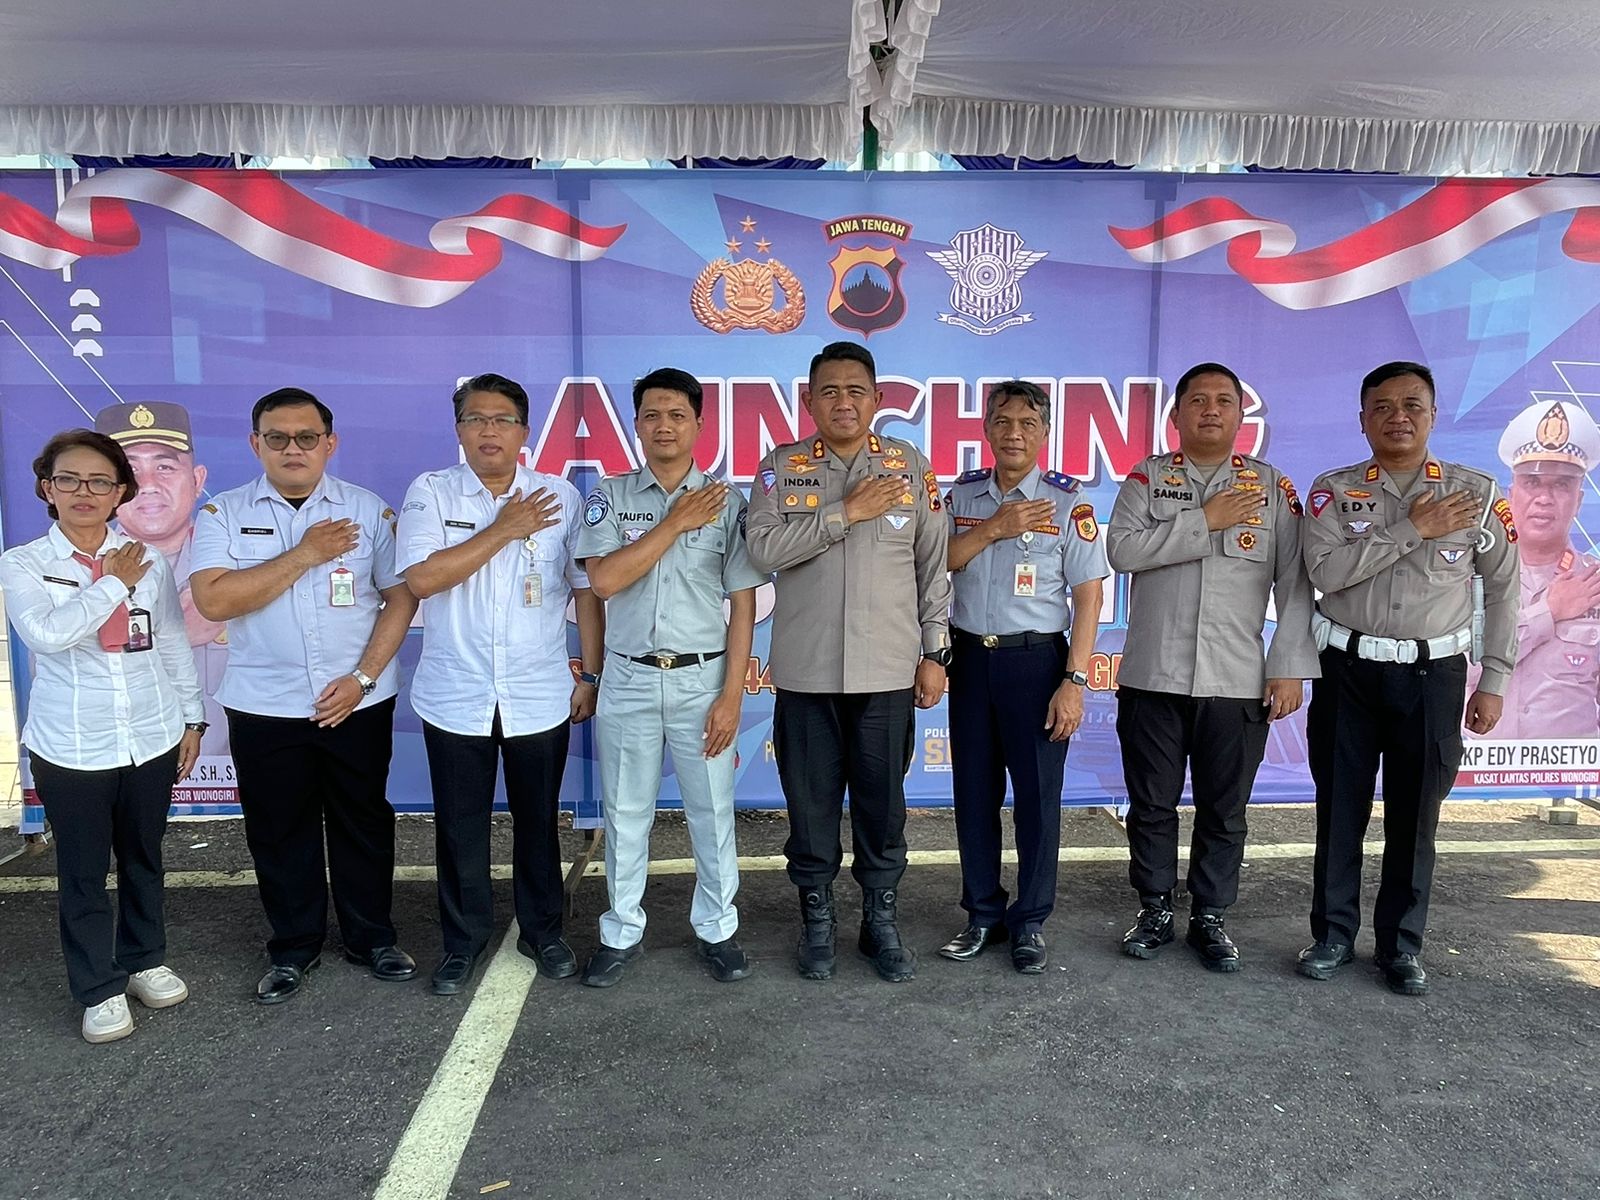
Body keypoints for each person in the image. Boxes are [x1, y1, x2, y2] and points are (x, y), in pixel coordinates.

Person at [189, 387, 419, 1004]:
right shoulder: (223, 513)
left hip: (356, 700)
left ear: (330, 443)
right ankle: (293, 948)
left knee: (362, 821)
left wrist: (363, 678)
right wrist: (306, 554)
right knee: (278, 828)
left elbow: (400, 599)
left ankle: (372, 938)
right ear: (255, 443)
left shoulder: (367, 510)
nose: (293, 448)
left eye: (307, 437)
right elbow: (214, 599)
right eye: (278, 437)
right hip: (265, 703)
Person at [1298, 361, 1519, 995]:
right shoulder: (1335, 491)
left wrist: (1495, 677)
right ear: (1363, 419)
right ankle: (1332, 936)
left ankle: (1401, 946)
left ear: (1433, 413)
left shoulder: (1475, 494)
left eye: (1412, 405)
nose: (1398, 417)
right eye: (1384, 407)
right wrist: (1412, 529)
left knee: (1415, 817)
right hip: (1347, 670)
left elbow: (1504, 590)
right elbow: (1325, 571)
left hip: (1432, 675)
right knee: (1339, 808)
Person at [745, 341, 951, 983]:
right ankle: (817, 921)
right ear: (808, 400)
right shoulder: (780, 468)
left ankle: (879, 922)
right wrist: (845, 513)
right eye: (829, 391)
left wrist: (935, 651)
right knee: (809, 807)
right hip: (806, 674)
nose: (843, 402)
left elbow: (932, 566)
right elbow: (761, 550)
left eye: (855, 390)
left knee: (882, 806)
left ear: (877, 400)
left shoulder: (909, 466)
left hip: (887, 671)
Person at [397, 372, 605, 995]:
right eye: (476, 419)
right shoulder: (431, 492)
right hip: (454, 694)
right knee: (460, 825)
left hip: (537, 693)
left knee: (538, 821)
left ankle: (543, 931)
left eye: (502, 420)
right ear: (459, 430)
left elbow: (585, 591)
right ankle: (462, 942)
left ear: (524, 431)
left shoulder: (559, 496)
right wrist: (503, 529)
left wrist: (590, 673)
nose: (489, 431)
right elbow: (422, 579)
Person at [1107, 362, 1318, 971]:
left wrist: (1288, 665)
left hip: (1236, 677)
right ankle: (1153, 909)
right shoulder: (1147, 478)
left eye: (1224, 401)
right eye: (1197, 400)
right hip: (1153, 674)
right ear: (1175, 415)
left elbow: (1295, 584)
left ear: (1240, 415)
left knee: (1224, 810)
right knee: (1151, 804)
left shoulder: (1271, 487)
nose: (1210, 410)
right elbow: (1121, 550)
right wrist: (1205, 521)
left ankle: (1210, 916)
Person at [0, 430, 204, 1043]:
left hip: (150, 731)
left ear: (120, 493)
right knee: (84, 871)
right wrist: (112, 584)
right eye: (69, 479)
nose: (83, 492)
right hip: (73, 743)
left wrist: (192, 718)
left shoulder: (149, 560)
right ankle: (98, 987)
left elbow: (171, 640)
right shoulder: (24, 563)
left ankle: (144, 959)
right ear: (47, 489)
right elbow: (46, 635)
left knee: (143, 857)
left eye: (100, 481)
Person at [575, 368, 768, 987]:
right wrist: (673, 524)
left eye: (677, 415)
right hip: (629, 678)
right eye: (652, 415)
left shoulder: (726, 502)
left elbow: (743, 606)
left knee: (711, 812)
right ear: (636, 424)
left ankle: (718, 929)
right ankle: (621, 932)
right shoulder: (610, 496)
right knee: (625, 811)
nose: (664, 425)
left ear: (699, 424)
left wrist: (731, 696)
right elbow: (603, 581)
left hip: (701, 681)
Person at [938, 381, 1108, 974]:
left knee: (1037, 798)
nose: (1014, 433)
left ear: (1044, 433)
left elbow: (1089, 597)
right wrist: (993, 528)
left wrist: (1074, 680)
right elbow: (937, 564)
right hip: (970, 659)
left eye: (1027, 424)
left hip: (1036, 664)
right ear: (986, 428)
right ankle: (982, 913)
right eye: (1003, 421)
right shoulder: (961, 494)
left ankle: (1030, 920)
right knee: (973, 794)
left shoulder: (1068, 501)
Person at [95, 400, 229, 752]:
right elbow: (57, 673)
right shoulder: (75, 569)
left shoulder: (239, 565)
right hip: (119, 757)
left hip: (231, 768)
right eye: (130, 470)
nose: (148, 484)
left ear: (197, 480)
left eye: (165, 467)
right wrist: (176, 635)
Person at [1492, 399, 1600, 738]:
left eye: (1561, 485)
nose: (1544, 498)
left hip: (1576, 771)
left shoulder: (1595, 583)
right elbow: (1468, 668)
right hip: (1478, 770)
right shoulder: (1469, 580)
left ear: (1578, 501)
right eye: (1533, 482)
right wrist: (1548, 612)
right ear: (1511, 495)